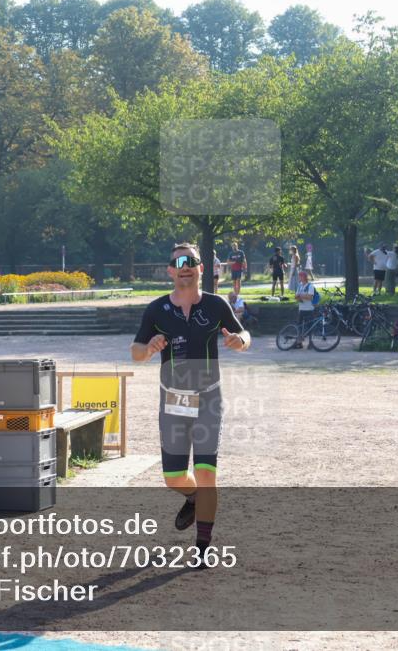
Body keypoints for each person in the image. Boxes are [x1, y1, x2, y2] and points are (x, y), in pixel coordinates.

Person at [131, 242, 250, 566]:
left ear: (201, 268)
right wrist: (149, 348)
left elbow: (244, 336)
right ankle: (193, 497)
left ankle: (202, 548)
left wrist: (239, 342)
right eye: (178, 261)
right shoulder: (156, 310)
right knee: (173, 477)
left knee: (206, 472)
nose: (185, 266)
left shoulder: (215, 305)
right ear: (170, 270)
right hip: (173, 399)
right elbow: (136, 352)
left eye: (191, 261)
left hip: (209, 397)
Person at [294, 270, 316, 349]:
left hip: (309, 309)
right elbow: (296, 296)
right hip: (301, 309)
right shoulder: (299, 285)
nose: (299, 277)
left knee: (310, 327)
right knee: (299, 326)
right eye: (299, 276)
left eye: (300, 276)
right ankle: (299, 343)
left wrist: (300, 295)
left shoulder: (310, 286)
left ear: (304, 277)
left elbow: (310, 297)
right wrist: (299, 296)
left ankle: (311, 343)